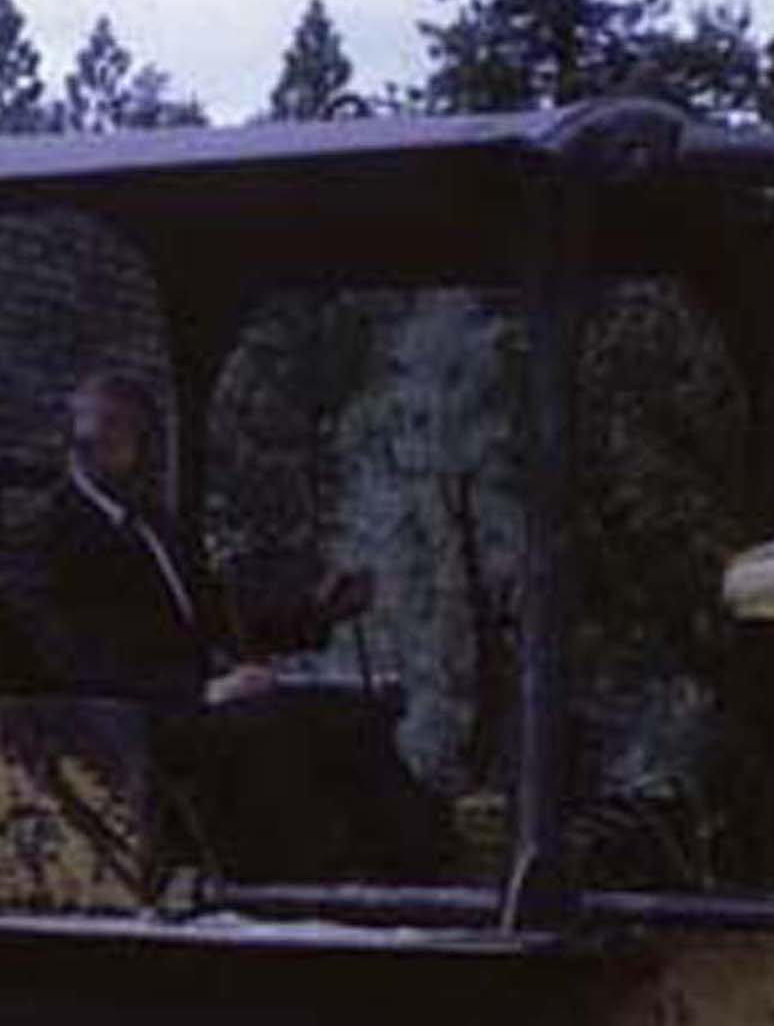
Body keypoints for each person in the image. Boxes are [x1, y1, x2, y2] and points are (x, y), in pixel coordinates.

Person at [24, 370, 453, 885]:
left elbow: (219, 620)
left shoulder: (155, 528)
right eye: (107, 428)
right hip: (136, 720)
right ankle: (304, 886)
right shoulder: (54, 537)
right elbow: (72, 660)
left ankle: (419, 872)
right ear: (78, 440)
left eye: (132, 430)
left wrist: (317, 613)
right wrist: (200, 692)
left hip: (197, 701)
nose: (125, 445)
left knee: (351, 713)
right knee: (271, 729)